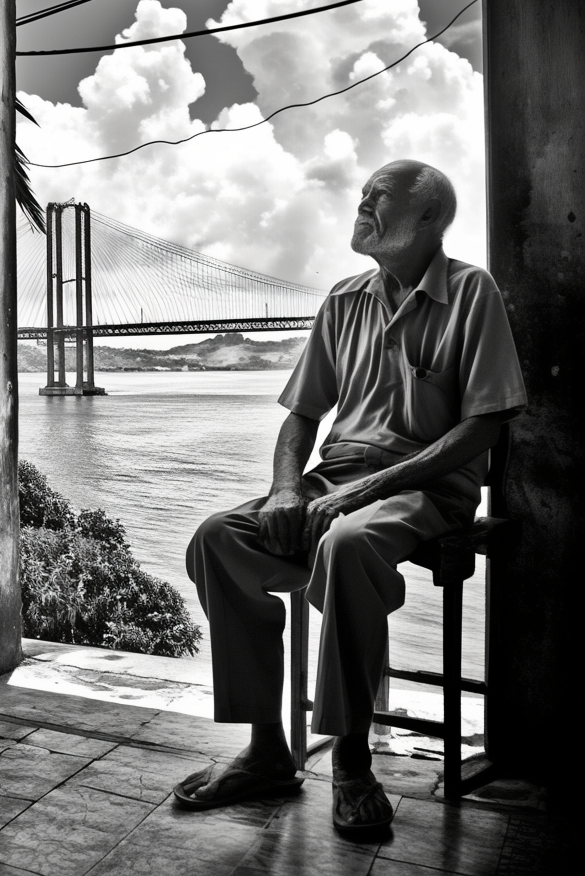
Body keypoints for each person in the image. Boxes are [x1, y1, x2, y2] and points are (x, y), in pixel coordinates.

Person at [172, 160, 526, 836]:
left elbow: (484, 423)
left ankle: (353, 761)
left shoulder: (471, 293)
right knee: (218, 539)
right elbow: (303, 414)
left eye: (380, 197)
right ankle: (267, 753)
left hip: (425, 487)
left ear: (427, 218)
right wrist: (284, 488)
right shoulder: (344, 299)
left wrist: (372, 486)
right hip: (332, 481)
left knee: (347, 542)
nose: (362, 203)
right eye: (363, 194)